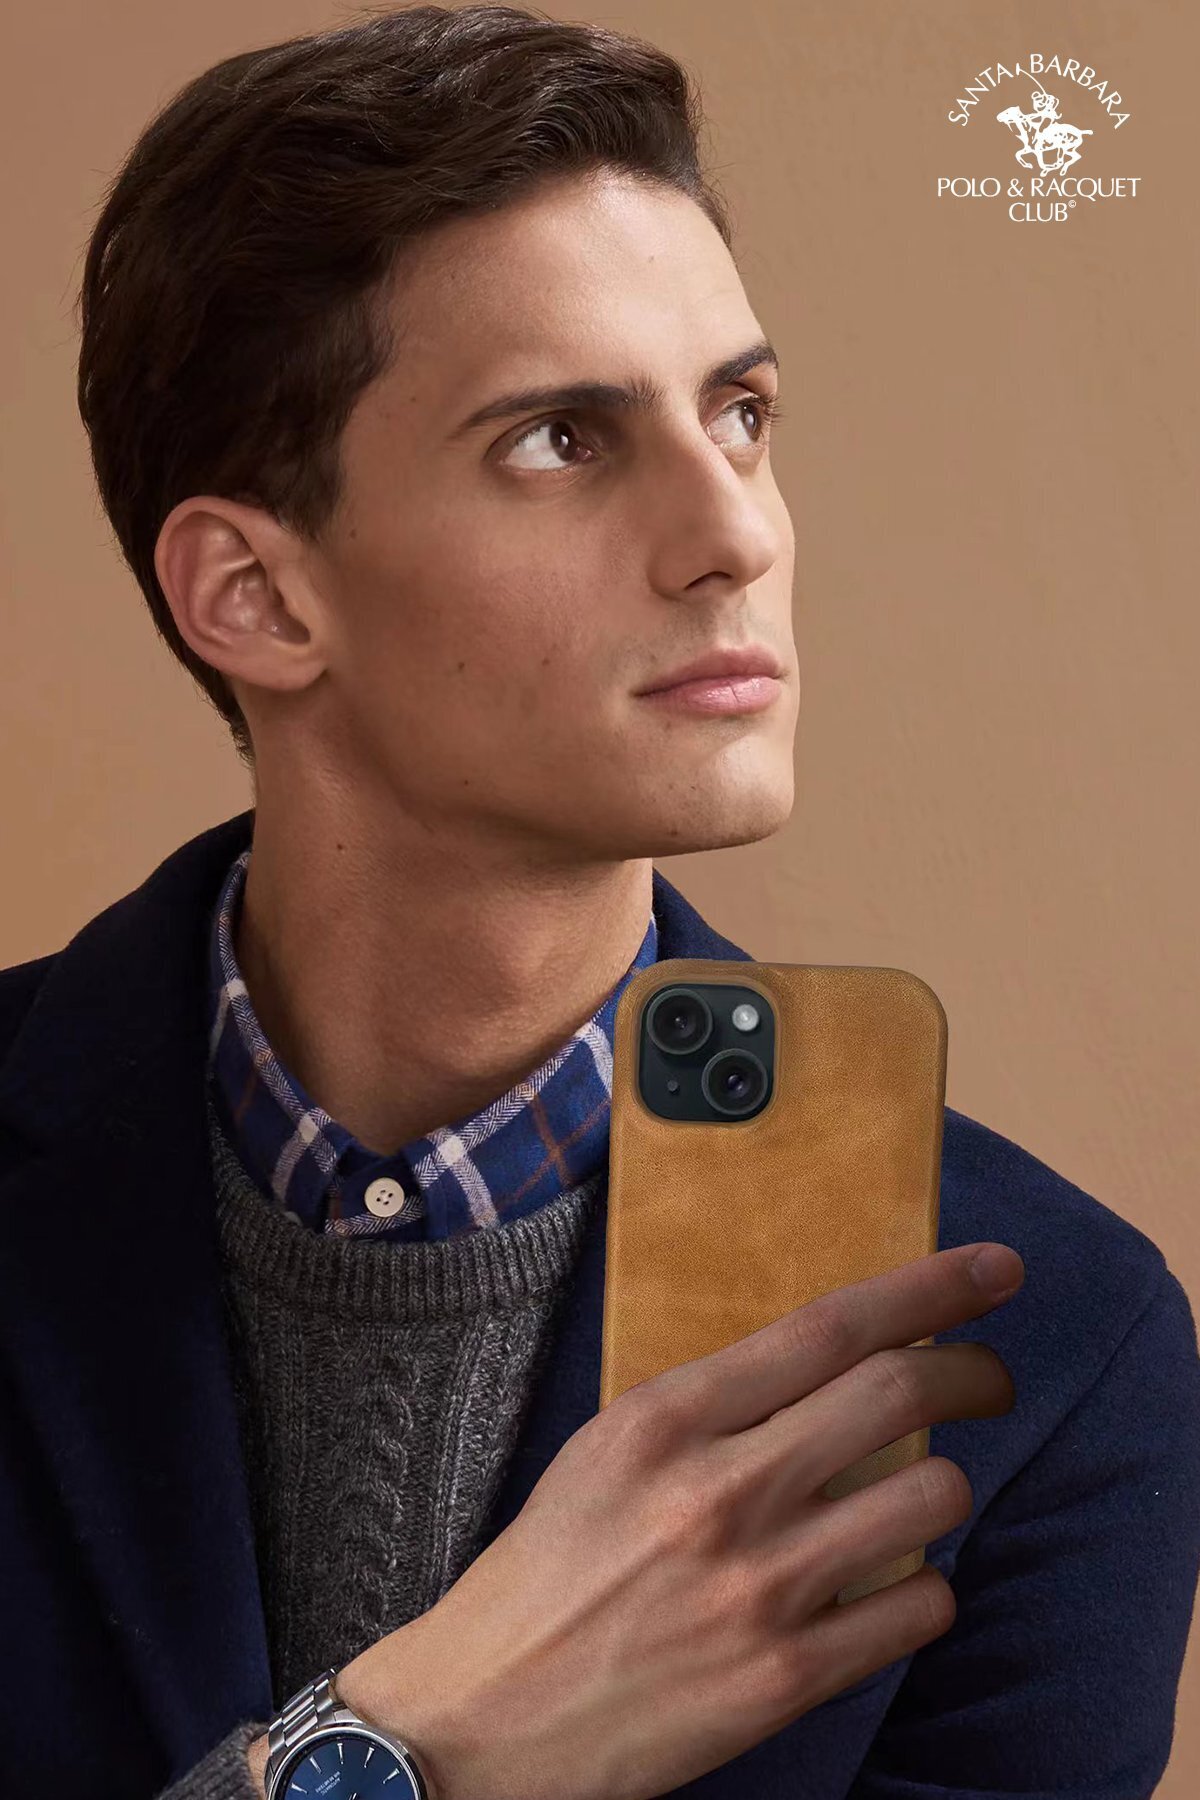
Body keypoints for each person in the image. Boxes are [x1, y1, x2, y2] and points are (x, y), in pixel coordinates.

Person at [2, 7, 1197, 1798]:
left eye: (742, 414)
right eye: (563, 437)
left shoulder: (1034, 1353)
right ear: (254, 593)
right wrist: (413, 1745)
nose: (739, 535)